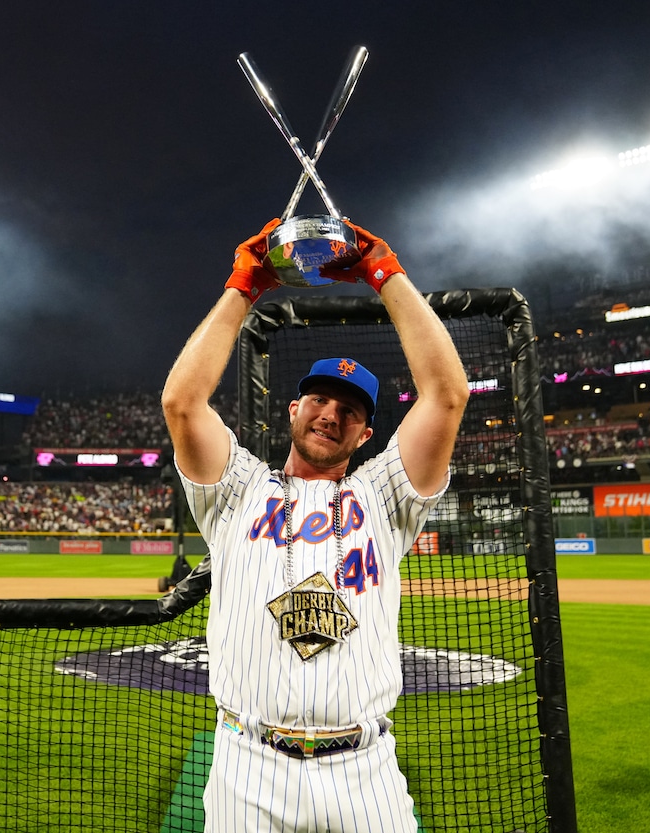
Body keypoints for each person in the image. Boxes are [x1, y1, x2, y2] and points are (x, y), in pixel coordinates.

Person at [161, 219, 469, 832]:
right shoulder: (237, 489)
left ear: (366, 433)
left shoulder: (385, 496)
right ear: (294, 408)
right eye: (321, 400)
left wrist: (385, 272)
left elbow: (448, 394)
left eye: (350, 410)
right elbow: (181, 403)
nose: (332, 414)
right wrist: (243, 287)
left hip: (364, 769)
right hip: (248, 764)